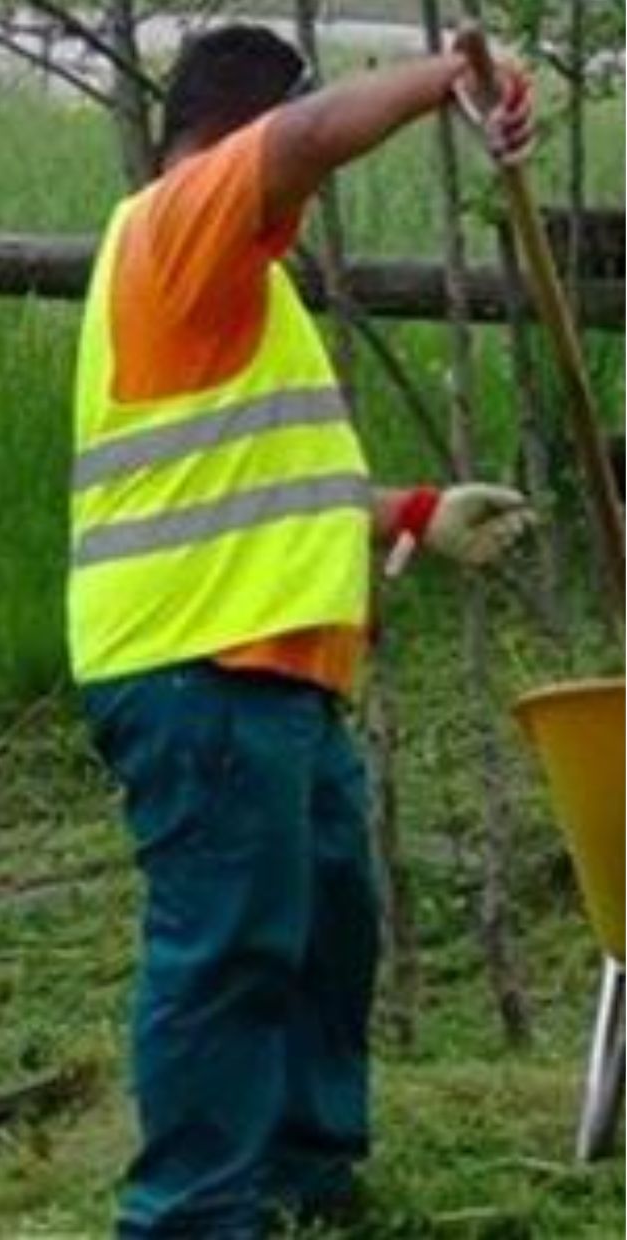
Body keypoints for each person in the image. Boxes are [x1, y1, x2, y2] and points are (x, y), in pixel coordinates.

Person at [67, 27, 538, 1238]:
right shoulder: (179, 219)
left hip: (271, 672)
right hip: (198, 669)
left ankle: (302, 1171)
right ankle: (188, 1215)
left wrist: (414, 514)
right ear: (239, 130)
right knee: (224, 951)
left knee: (329, 923)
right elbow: (304, 140)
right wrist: (446, 77)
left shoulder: (230, 280)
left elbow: (257, 481)